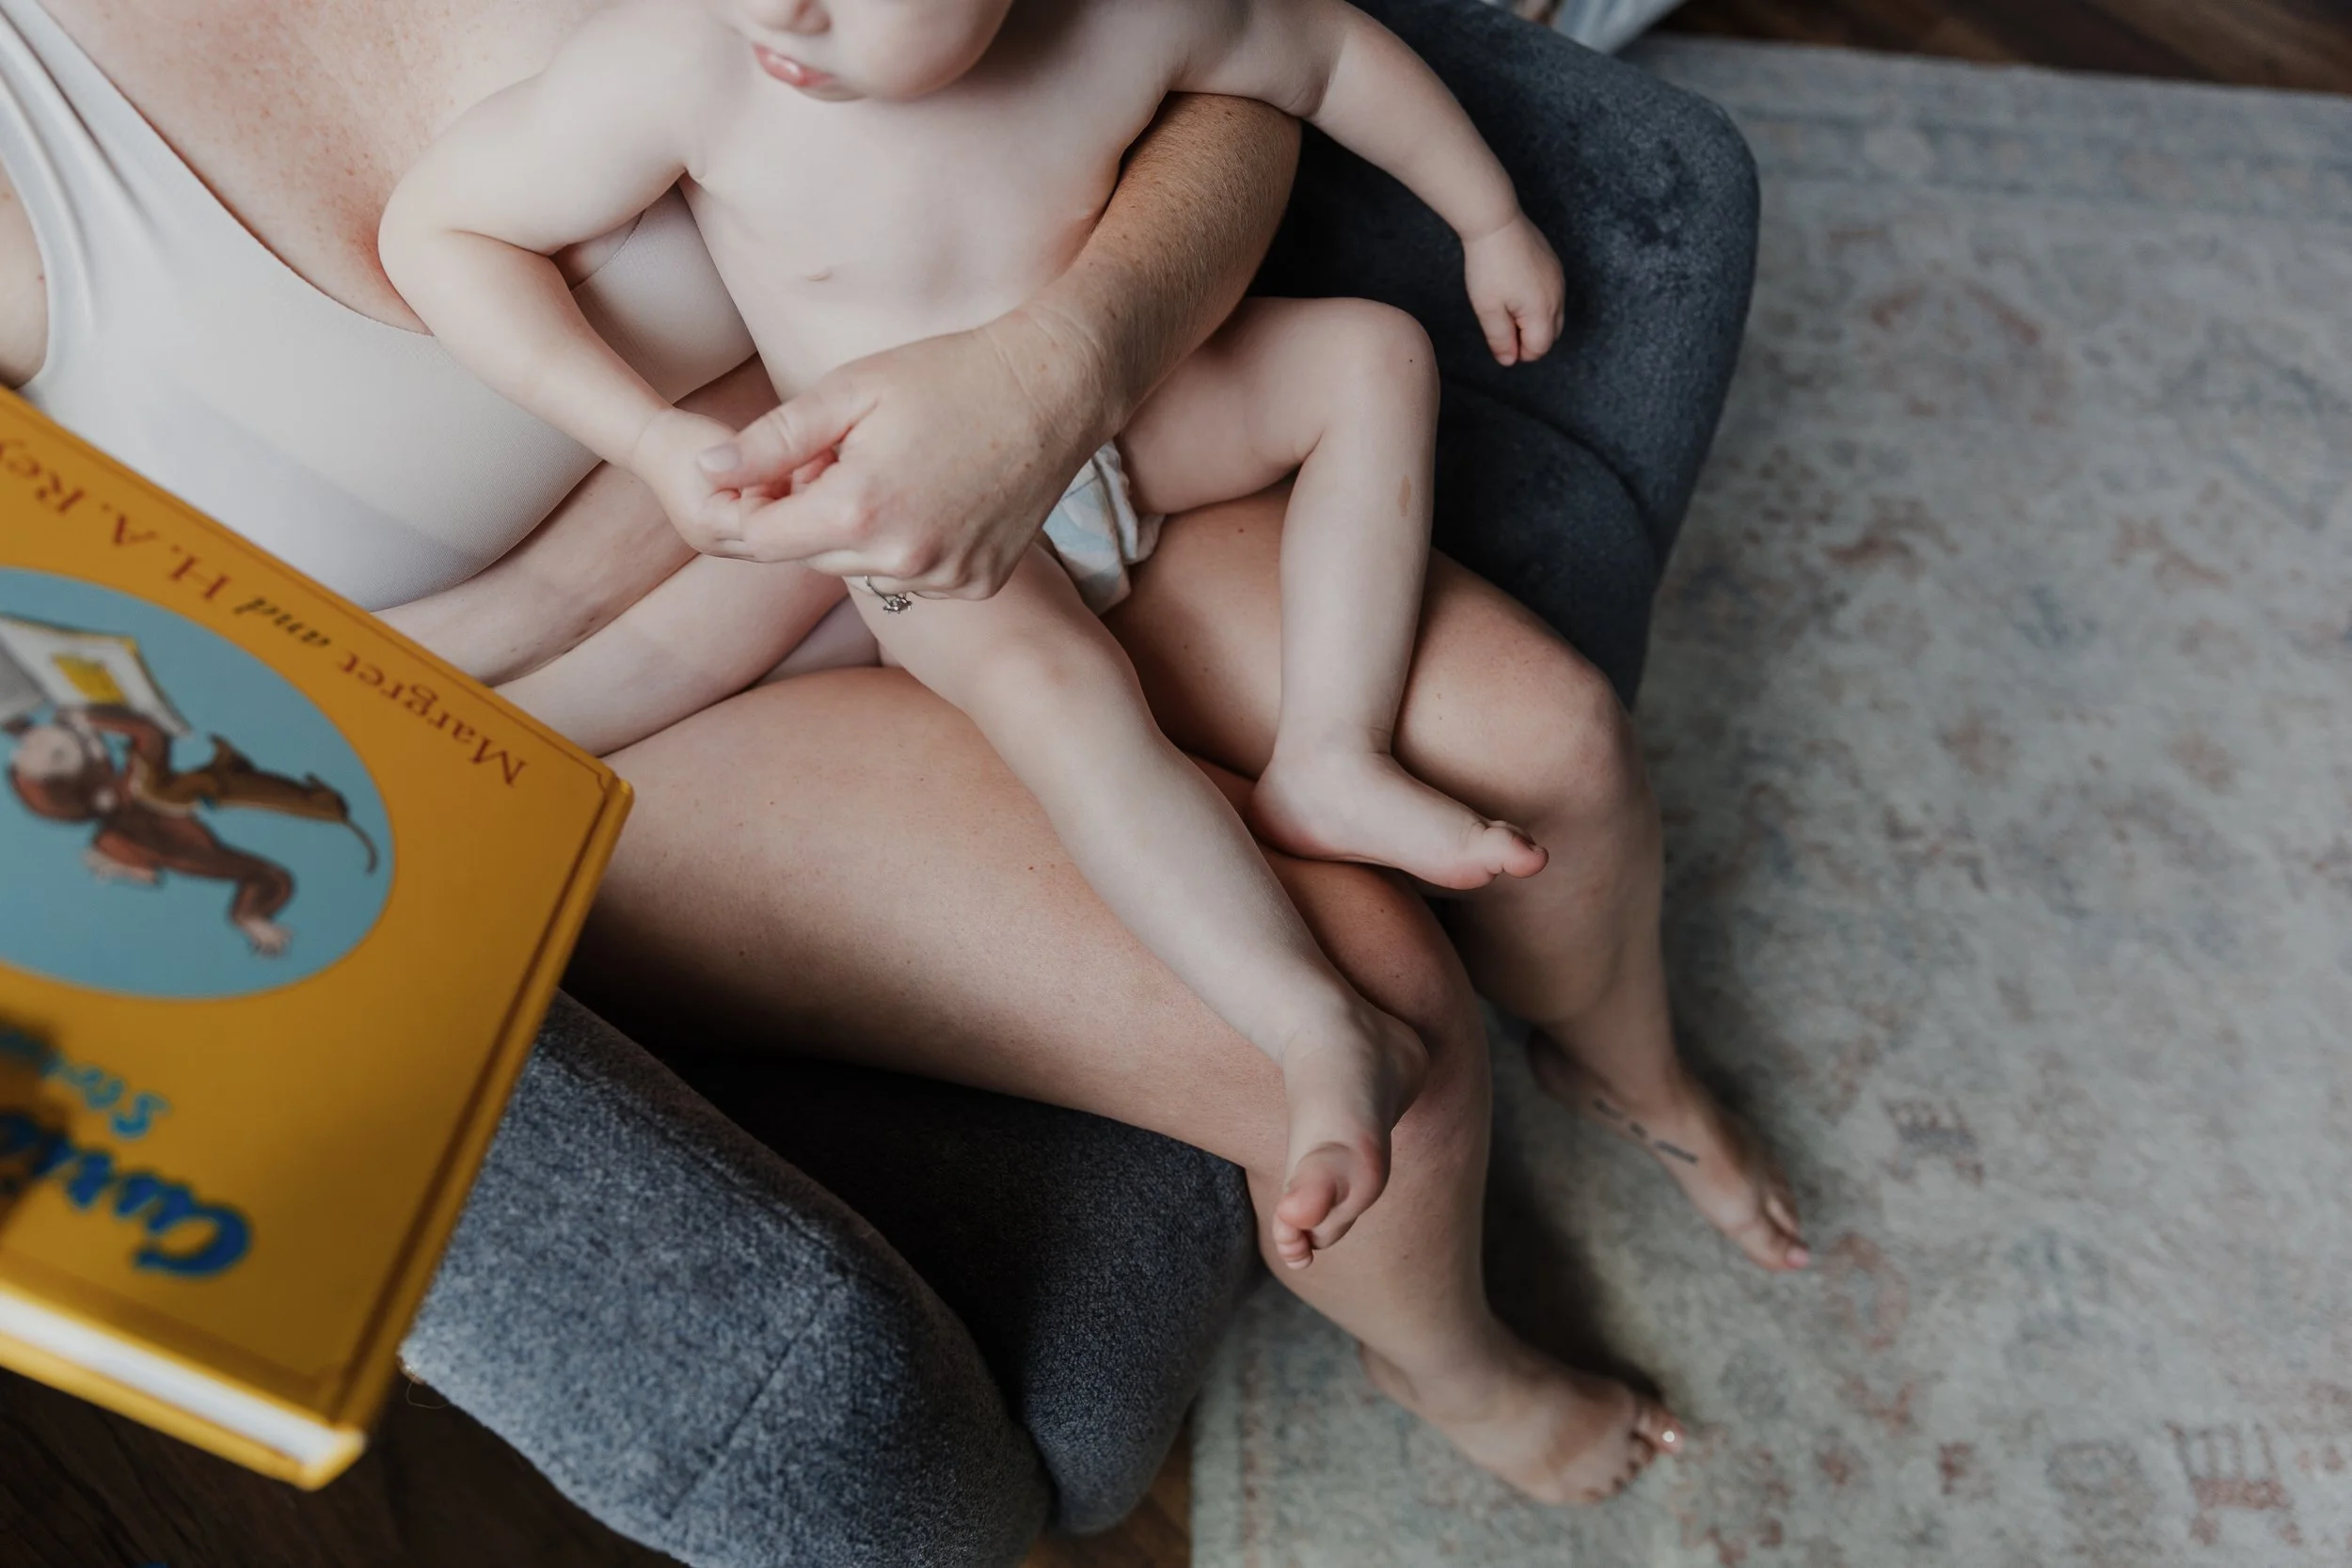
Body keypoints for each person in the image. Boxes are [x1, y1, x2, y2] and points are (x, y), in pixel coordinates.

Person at [0, 0, 1798, 1524]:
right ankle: (1454, 1360)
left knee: (1547, 742)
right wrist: (574, 581)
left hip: (996, 461)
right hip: (579, 721)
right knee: (1354, 1012)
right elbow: (105, 741)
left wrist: (1060, 369)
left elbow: (1237, 65)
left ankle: (1620, 1054)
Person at [378, 0, 1572, 1267]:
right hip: (897, 534)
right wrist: (646, 437)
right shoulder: (691, 61)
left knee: (1373, 359)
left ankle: (1333, 750)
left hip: (1117, 429)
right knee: (1068, 707)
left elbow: (1324, 53)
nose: (785, 7)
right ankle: (1309, 1019)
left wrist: (1488, 218)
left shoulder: (1128, 21)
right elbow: (444, 228)